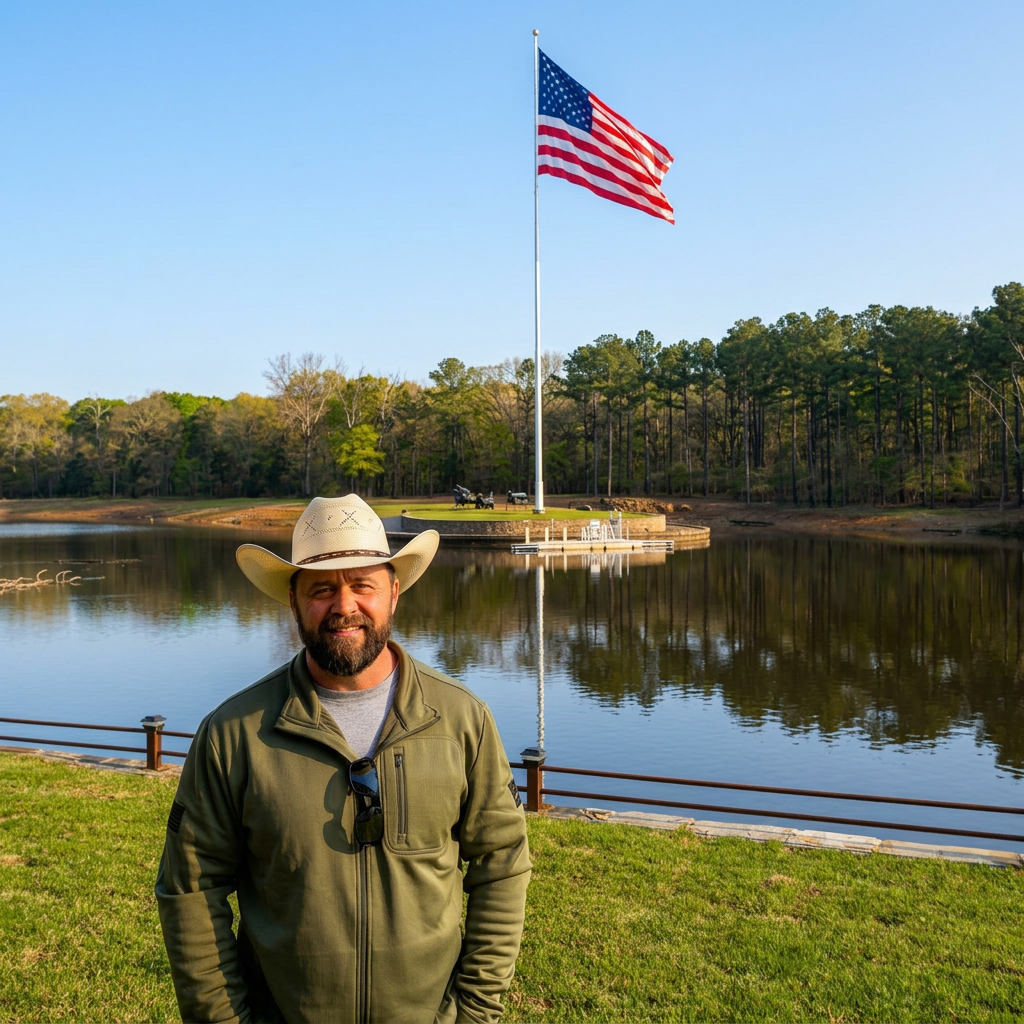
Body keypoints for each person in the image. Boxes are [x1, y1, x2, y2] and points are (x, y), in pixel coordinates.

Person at [156, 495, 531, 1024]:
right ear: (293, 600)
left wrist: (473, 1012)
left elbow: (502, 865)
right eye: (322, 588)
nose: (344, 605)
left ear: (394, 592)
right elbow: (191, 890)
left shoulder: (461, 720)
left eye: (363, 585)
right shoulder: (231, 735)